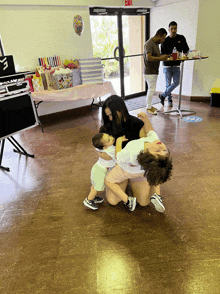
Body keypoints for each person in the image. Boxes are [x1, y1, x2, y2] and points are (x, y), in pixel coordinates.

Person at [104, 112, 173, 212]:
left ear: (146, 154)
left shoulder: (132, 150)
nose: (161, 146)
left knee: (108, 182)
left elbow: (118, 156)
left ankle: (128, 200)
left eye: (158, 151)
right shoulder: (154, 142)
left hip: (124, 171)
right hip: (141, 173)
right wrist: (146, 119)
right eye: (165, 151)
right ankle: (157, 195)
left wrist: (118, 141)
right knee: (145, 201)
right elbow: (150, 130)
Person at [159, 21, 189, 107]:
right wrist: (169, 56)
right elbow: (162, 54)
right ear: (169, 30)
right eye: (171, 29)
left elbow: (186, 49)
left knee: (176, 82)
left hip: (176, 64)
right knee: (168, 84)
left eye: (175, 28)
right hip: (167, 65)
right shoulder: (165, 40)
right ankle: (169, 100)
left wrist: (185, 54)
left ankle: (163, 95)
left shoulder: (181, 38)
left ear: (177, 28)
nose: (173, 30)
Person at [83, 132, 116, 210]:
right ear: (104, 147)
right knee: (96, 188)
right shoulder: (110, 151)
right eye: (108, 140)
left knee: (95, 185)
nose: (111, 138)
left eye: (109, 136)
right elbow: (118, 156)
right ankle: (89, 200)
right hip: (100, 171)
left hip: (98, 168)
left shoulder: (100, 148)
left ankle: (93, 197)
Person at [143, 28, 169, 115]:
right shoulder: (149, 44)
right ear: (158, 36)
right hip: (149, 71)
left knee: (152, 89)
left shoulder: (155, 44)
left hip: (153, 71)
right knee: (151, 89)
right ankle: (148, 107)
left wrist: (163, 56)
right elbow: (149, 57)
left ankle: (149, 106)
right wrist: (161, 58)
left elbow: (155, 56)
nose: (163, 40)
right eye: (163, 38)